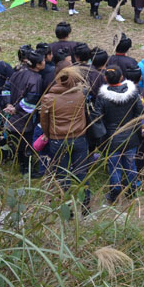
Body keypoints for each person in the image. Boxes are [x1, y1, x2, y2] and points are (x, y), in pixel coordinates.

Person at [39, 66, 90, 208]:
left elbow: (44, 120)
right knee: (81, 172)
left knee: (62, 175)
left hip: (57, 139)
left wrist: (48, 134)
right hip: (79, 137)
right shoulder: (80, 95)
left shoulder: (48, 98)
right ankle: (86, 206)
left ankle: (67, 208)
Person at [96, 66, 144, 203]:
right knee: (130, 165)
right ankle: (132, 190)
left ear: (106, 78)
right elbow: (139, 113)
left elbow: (97, 117)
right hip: (130, 136)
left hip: (112, 138)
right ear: (121, 77)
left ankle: (115, 192)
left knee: (114, 166)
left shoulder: (102, 97)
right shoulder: (133, 94)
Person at [5, 48, 45, 174]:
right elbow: (31, 99)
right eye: (43, 61)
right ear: (37, 65)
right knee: (25, 144)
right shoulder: (36, 79)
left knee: (17, 142)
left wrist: (8, 104)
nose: (44, 62)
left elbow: (6, 88)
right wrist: (15, 109)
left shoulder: (18, 72)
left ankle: (21, 164)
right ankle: (26, 170)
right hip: (23, 117)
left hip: (12, 115)